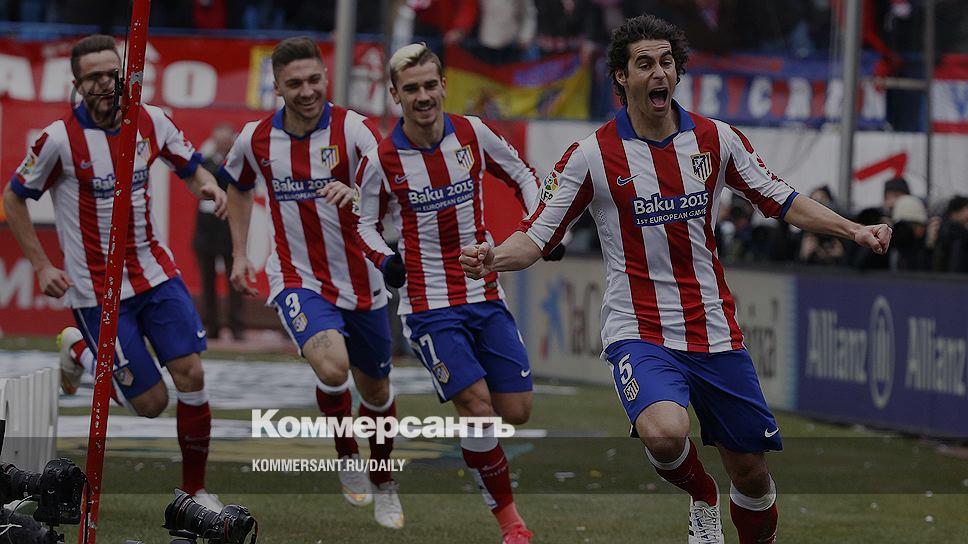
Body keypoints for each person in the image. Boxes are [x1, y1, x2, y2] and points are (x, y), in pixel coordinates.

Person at [459, 15, 892, 544]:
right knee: (665, 434)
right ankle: (702, 496)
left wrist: (854, 229)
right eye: (644, 64)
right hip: (638, 329)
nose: (659, 72)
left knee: (751, 475)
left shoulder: (716, 139)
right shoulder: (591, 155)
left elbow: (783, 199)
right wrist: (493, 257)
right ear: (622, 76)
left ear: (678, 71)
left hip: (713, 329)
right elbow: (537, 236)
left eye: (667, 62)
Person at [2, 34, 227, 511]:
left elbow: (192, 167)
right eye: (94, 77)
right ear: (77, 84)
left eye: (113, 73)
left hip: (155, 274)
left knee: (191, 373)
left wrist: (208, 187)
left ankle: (195, 490)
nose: (107, 83)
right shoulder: (59, 140)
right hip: (96, 291)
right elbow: (14, 197)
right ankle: (78, 349)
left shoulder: (152, 120)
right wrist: (41, 265)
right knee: (150, 404)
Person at [355, 43, 550, 544]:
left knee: (517, 410)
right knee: (478, 407)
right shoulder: (382, 159)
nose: (423, 96)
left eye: (429, 85)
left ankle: (480, 457)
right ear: (396, 95)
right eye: (411, 89)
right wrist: (387, 261)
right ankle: (511, 523)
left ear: (443, 85)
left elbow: (524, 175)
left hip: (484, 295)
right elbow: (361, 224)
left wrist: (537, 232)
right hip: (428, 307)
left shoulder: (473, 133)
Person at [220, 36, 403, 529]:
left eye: (314, 80)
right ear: (277, 87)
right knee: (332, 365)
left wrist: (357, 190)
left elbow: (393, 179)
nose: (307, 91)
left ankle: (384, 478)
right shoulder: (256, 139)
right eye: (294, 83)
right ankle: (347, 454)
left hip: (363, 279)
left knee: (377, 391)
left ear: (326, 77)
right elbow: (237, 187)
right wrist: (240, 253)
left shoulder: (353, 129)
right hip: (298, 278)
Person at [194, 123, 243, 340]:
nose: (223, 144)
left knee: (236, 279)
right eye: (220, 140)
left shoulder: (236, 162)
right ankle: (211, 324)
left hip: (229, 230)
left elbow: (233, 181)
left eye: (227, 140)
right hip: (206, 231)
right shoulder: (205, 162)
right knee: (207, 280)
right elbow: (205, 182)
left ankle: (236, 325)